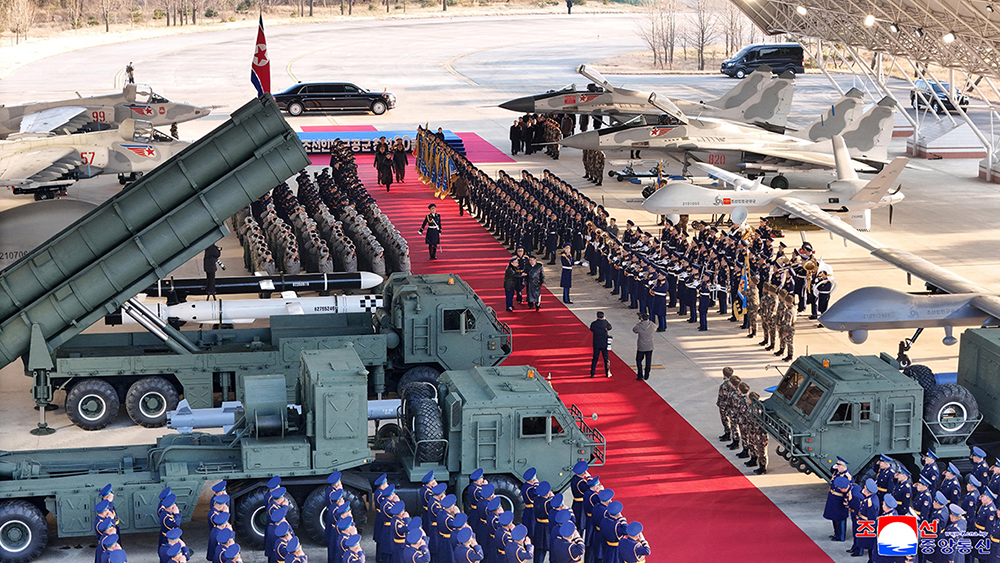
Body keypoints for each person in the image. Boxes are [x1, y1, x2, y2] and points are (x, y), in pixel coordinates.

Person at [632, 313, 655, 381]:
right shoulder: (651, 325)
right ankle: (647, 374)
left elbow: (634, 330)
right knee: (648, 361)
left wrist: (639, 323)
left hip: (641, 346)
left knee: (638, 360)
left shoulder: (639, 326)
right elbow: (655, 327)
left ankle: (640, 374)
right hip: (650, 345)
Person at [590, 312, 612, 378]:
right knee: (606, 359)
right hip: (604, 343)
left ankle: (592, 373)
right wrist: (605, 320)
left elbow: (591, 329)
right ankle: (607, 373)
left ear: (597, 317)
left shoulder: (594, 324)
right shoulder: (605, 323)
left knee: (595, 359)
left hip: (596, 343)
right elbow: (610, 327)